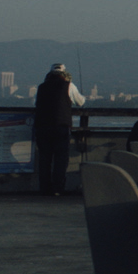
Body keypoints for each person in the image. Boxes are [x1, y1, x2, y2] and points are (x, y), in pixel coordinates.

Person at [33, 63, 86, 196]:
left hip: (42, 127)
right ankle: (58, 188)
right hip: (61, 126)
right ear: (64, 73)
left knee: (44, 158)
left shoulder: (41, 87)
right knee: (61, 159)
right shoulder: (69, 85)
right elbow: (80, 102)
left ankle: (44, 188)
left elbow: (36, 104)